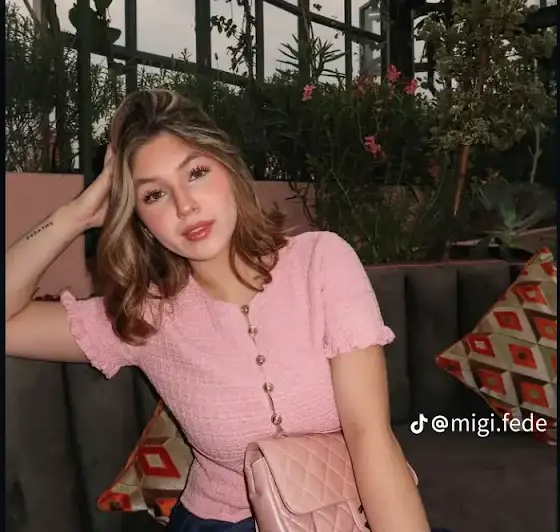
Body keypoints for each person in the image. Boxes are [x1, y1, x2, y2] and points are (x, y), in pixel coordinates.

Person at [6, 89, 434, 532]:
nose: (185, 205)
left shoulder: (321, 261)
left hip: (341, 513)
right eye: (154, 195)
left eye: (196, 173)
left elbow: (369, 436)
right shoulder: (147, 314)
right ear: (141, 221)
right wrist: (74, 217)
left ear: (228, 169)